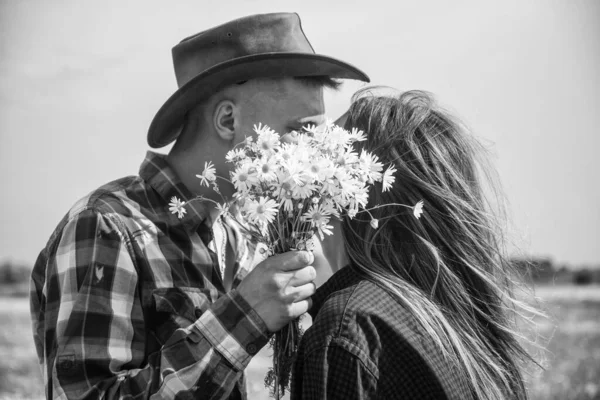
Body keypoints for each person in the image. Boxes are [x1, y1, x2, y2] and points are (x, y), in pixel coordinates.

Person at [29, 13, 369, 400]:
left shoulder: (241, 233)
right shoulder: (107, 227)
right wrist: (245, 317)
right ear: (228, 120)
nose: (313, 155)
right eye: (299, 130)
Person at [292, 89, 537, 400]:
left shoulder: (349, 326)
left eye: (326, 155)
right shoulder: (448, 319)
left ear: (353, 187)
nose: (305, 170)